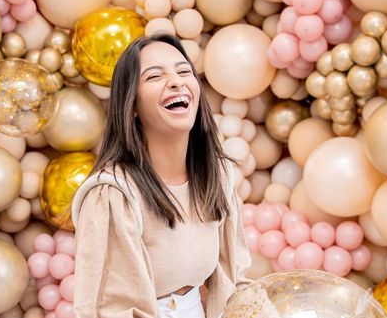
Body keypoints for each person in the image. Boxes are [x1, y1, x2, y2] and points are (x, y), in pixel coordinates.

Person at [71, 33, 252, 318]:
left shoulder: (217, 174)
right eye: (155, 76)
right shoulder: (113, 195)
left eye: (184, 71)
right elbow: (108, 309)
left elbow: (233, 281)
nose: (177, 81)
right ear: (131, 107)